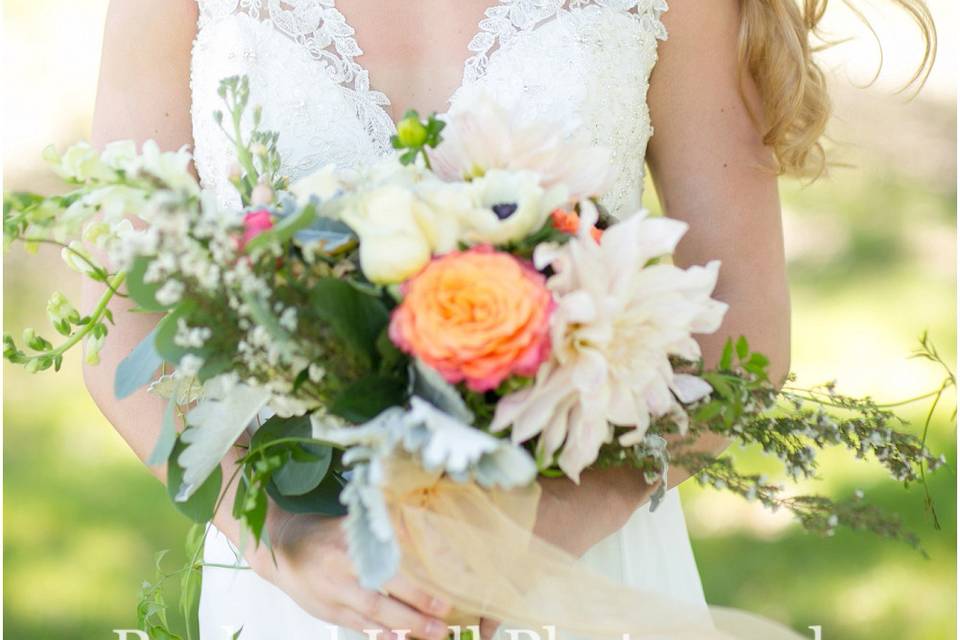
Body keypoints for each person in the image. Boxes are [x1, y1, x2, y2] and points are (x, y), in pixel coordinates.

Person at [84, 1, 933, 638]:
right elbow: (116, 312)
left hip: (572, 568)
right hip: (302, 582)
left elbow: (743, 324)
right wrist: (276, 533)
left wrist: (539, 535)